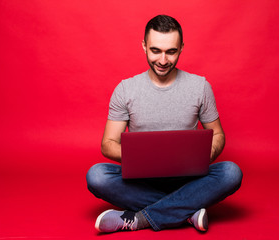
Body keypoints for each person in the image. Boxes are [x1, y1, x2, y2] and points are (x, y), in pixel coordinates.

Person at [86, 14, 242, 233]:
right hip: (141, 182)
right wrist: (144, 157)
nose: (162, 60)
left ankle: (140, 218)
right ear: (144, 46)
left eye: (171, 51)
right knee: (96, 176)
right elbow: (108, 144)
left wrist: (209, 153)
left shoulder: (200, 86)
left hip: (189, 179)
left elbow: (217, 134)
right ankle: (188, 210)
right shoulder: (125, 89)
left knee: (231, 172)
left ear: (181, 48)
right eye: (155, 50)